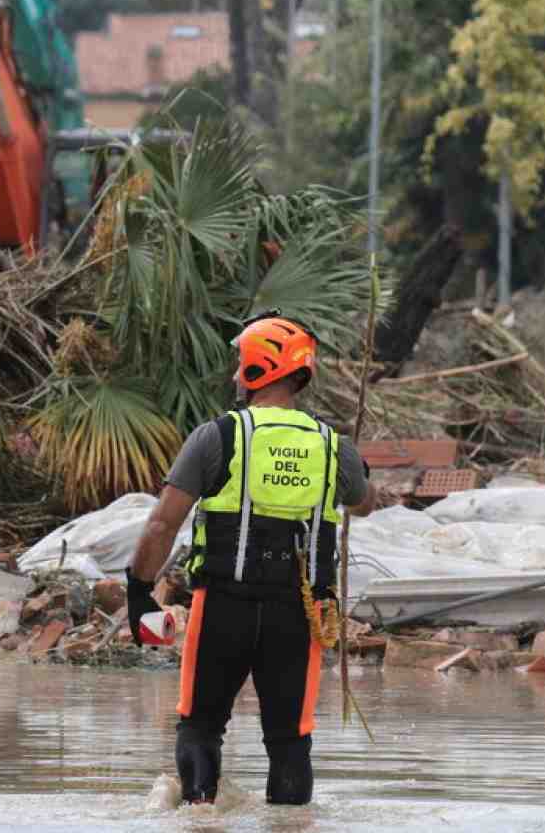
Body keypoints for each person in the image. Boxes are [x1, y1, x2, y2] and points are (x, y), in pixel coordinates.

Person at [124, 312, 373, 807]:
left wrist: (137, 590)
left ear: (261, 368)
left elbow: (161, 524)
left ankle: (199, 816)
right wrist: (358, 466)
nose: (237, 375)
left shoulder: (217, 436)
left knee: (200, 726)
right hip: (298, 619)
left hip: (223, 609)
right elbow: (363, 503)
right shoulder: (333, 447)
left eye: (242, 365)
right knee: (289, 742)